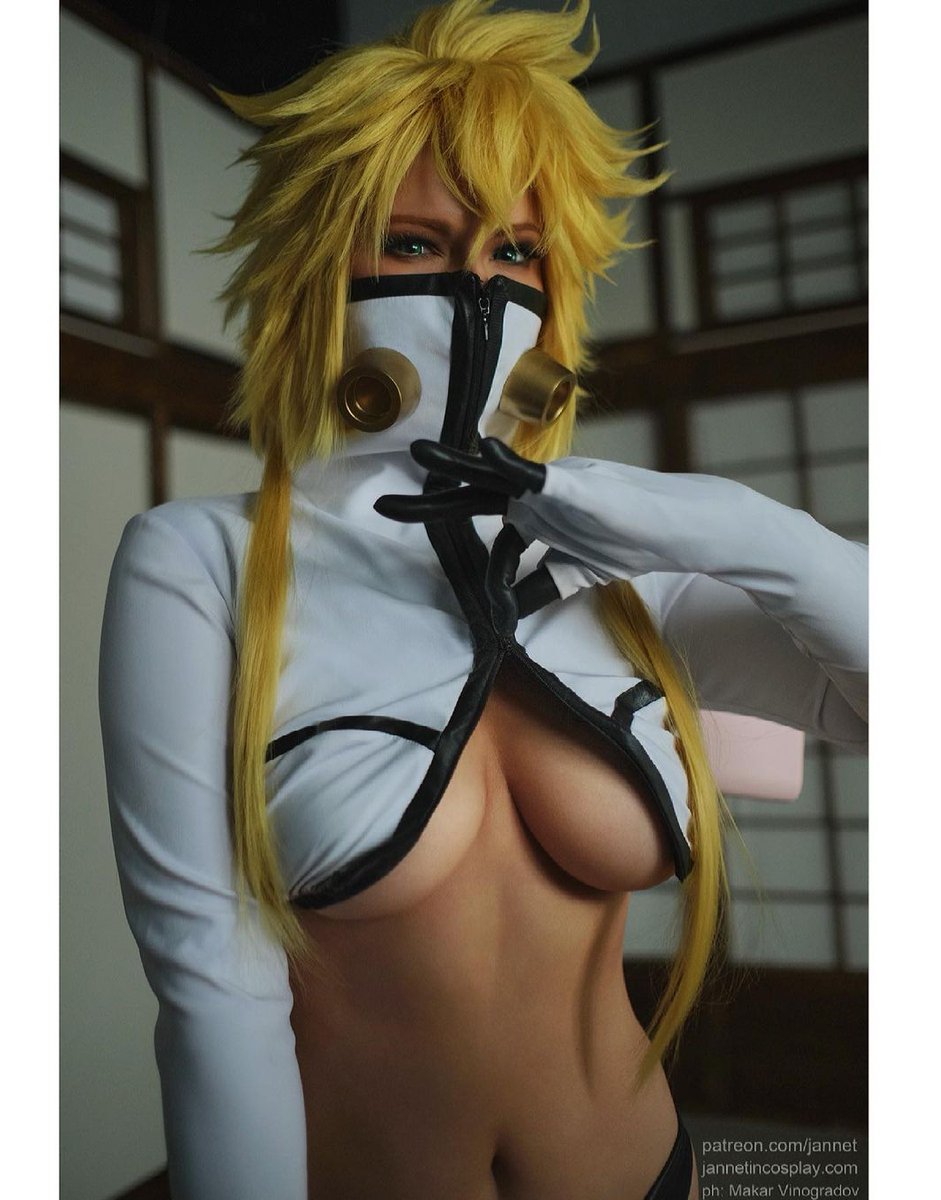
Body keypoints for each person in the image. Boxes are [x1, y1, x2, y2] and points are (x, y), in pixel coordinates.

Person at [98, 2, 868, 1197]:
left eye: (515, 253)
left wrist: (727, 523)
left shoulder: (628, 564)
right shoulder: (200, 561)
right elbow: (212, 990)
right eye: (413, 244)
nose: (475, 289)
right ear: (317, 272)